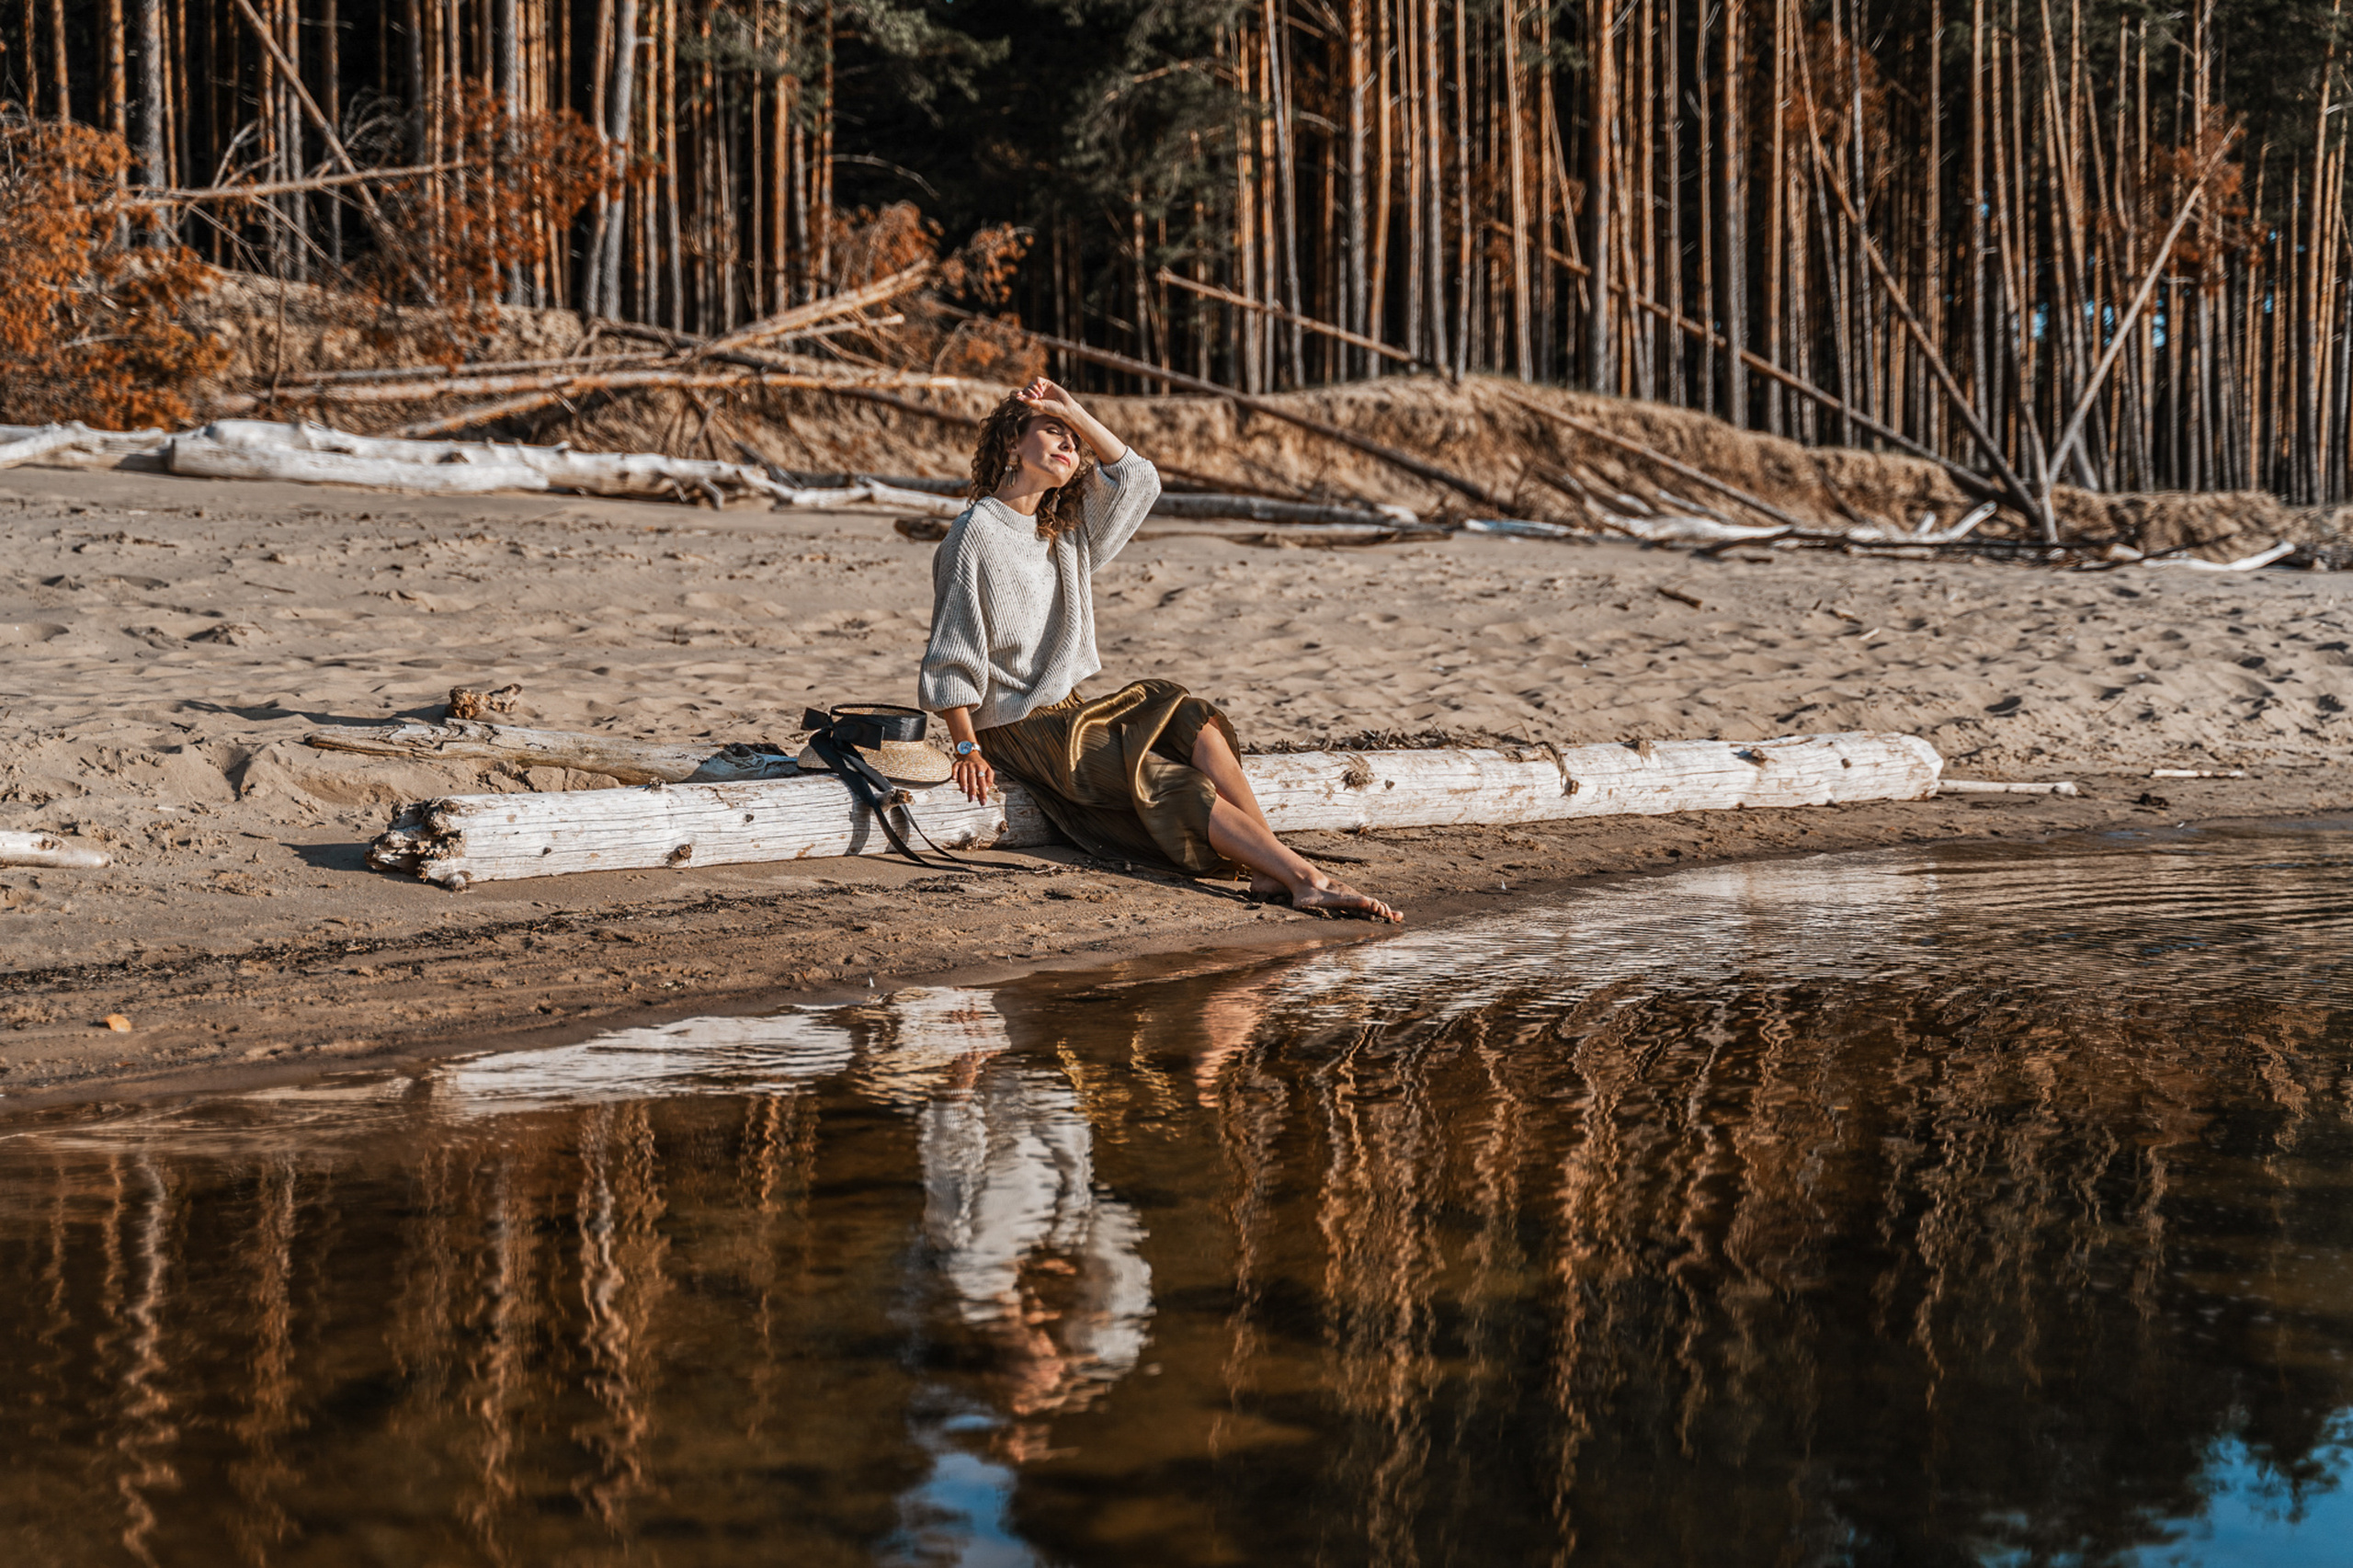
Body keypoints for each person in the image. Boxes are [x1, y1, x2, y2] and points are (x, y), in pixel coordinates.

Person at [916, 379, 1402, 923]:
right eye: (1053, 432)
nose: (1069, 444)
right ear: (1011, 445)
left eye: (1073, 440)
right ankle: (1304, 878)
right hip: (1020, 726)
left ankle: (1270, 866)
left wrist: (1072, 409)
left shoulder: (1063, 531)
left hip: (1072, 710)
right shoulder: (973, 533)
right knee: (1169, 781)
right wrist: (966, 749)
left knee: (1189, 714)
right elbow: (951, 656)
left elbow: (1138, 479)